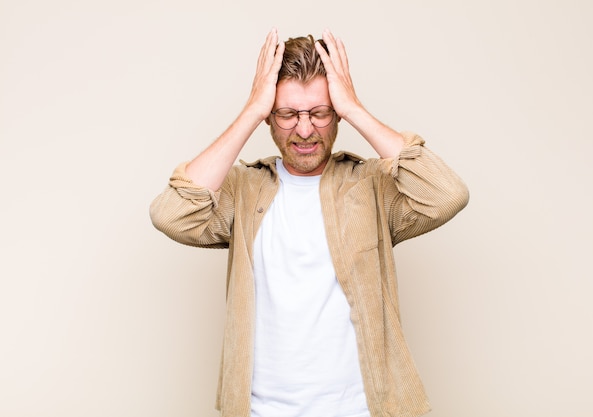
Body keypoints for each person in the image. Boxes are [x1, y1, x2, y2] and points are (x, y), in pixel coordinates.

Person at [150, 28, 469, 417]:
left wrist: (354, 107)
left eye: (319, 113)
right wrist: (251, 110)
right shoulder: (241, 190)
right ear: (270, 117)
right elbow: (171, 213)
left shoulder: (371, 187)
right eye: (287, 114)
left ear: (336, 116)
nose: (304, 130)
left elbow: (446, 194)